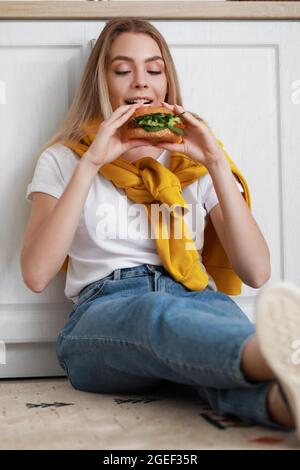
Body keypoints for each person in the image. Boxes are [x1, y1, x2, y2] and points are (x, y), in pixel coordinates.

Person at [21, 17, 300, 438]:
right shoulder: (65, 160)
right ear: (102, 81)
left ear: (167, 83)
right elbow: (37, 274)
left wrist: (216, 163)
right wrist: (92, 162)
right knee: (155, 312)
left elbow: (257, 271)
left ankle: (283, 402)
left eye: (154, 70)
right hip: (104, 317)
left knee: (205, 357)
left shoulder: (194, 164)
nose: (140, 83)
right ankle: (268, 353)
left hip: (198, 304)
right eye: (122, 70)